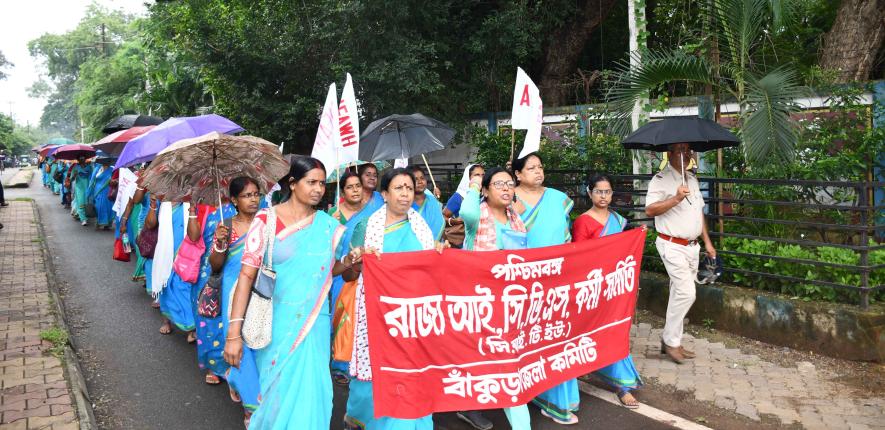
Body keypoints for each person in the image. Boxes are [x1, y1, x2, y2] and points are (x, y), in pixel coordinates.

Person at [224, 156, 354, 429]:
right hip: (275, 325)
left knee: (311, 396)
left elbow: (326, 271)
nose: (319, 189)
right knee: (277, 395)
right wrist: (233, 335)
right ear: (293, 184)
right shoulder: (267, 220)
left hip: (313, 324)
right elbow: (247, 276)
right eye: (311, 182)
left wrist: (353, 261)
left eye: (322, 184)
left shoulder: (327, 225)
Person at [343, 167, 442, 430]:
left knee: (411, 375)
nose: (406, 194)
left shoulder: (421, 227)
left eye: (409, 188)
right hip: (379, 317)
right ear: (384, 193)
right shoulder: (366, 225)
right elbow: (347, 274)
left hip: (412, 318)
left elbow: (431, 270)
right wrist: (357, 258)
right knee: (377, 374)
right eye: (399, 188)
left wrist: (439, 253)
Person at [459, 166, 531, 430]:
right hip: (480, 304)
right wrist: (475, 183)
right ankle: (470, 407)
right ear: (486, 190)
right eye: (499, 184)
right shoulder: (477, 215)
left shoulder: (515, 217)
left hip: (509, 303)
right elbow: (465, 211)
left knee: (505, 360)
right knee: (481, 358)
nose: (506, 189)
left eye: (510, 184)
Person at [511, 152, 577, 425]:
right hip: (520, 284)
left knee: (557, 337)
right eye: (531, 168)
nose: (538, 171)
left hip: (557, 281)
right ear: (517, 173)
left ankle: (557, 402)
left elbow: (567, 237)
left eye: (540, 167)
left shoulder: (558, 199)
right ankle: (521, 392)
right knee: (524, 339)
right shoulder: (506, 197)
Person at [572, 174, 643, 408]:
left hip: (616, 285)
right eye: (599, 191)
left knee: (617, 331)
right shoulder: (583, 221)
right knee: (590, 331)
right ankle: (584, 367)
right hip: (592, 286)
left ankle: (623, 386)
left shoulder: (619, 220)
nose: (604, 196)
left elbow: (625, 253)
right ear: (590, 193)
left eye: (608, 191)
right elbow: (580, 257)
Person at [645, 143, 716, 364]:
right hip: (671, 244)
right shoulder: (660, 179)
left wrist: (708, 243)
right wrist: (675, 198)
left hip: (692, 247)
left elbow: (699, 214)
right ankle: (670, 341)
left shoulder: (692, 179)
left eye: (688, 151)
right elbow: (650, 209)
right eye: (680, 150)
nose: (686, 154)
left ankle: (673, 340)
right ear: (670, 154)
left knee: (678, 293)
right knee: (687, 293)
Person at [209, 176, 262, 427]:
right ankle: (251, 407)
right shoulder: (226, 226)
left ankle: (253, 389)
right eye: (246, 195)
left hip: (262, 291)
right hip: (234, 292)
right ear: (233, 200)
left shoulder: (267, 222)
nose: (253, 199)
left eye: (256, 194)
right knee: (240, 345)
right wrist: (220, 244)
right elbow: (215, 266)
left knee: (260, 343)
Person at [326, 169, 368, 385]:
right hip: (335, 275)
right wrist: (330, 224)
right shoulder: (331, 214)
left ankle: (349, 362)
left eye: (358, 186)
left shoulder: (373, 213)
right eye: (350, 187)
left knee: (355, 319)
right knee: (336, 317)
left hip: (360, 273)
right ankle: (336, 362)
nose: (355, 190)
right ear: (342, 191)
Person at [158, 202, 198, 343]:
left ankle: (191, 328)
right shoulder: (165, 204)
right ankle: (166, 320)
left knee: (185, 287)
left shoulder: (194, 201)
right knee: (166, 286)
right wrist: (152, 204)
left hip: (188, 251)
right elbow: (151, 225)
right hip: (167, 253)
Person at [410, 165, 445, 240]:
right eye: (415, 179)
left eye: (422, 178)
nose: (420, 182)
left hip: (438, 247)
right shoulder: (407, 205)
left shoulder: (432, 200)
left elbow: (440, 225)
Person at [68, 156, 94, 226]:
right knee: (81, 202)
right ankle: (83, 219)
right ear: (78, 160)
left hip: (88, 187)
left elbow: (93, 177)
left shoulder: (89, 167)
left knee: (87, 203)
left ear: (85, 159)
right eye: (80, 159)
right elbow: (71, 179)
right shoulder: (75, 167)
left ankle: (82, 215)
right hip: (79, 188)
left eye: (83, 158)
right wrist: (74, 175)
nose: (82, 160)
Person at [88, 163, 114, 230]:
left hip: (107, 190)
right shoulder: (97, 169)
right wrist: (90, 190)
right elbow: (92, 180)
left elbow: (111, 180)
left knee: (108, 206)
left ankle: (107, 224)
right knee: (98, 206)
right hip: (97, 190)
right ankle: (99, 221)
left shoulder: (111, 169)